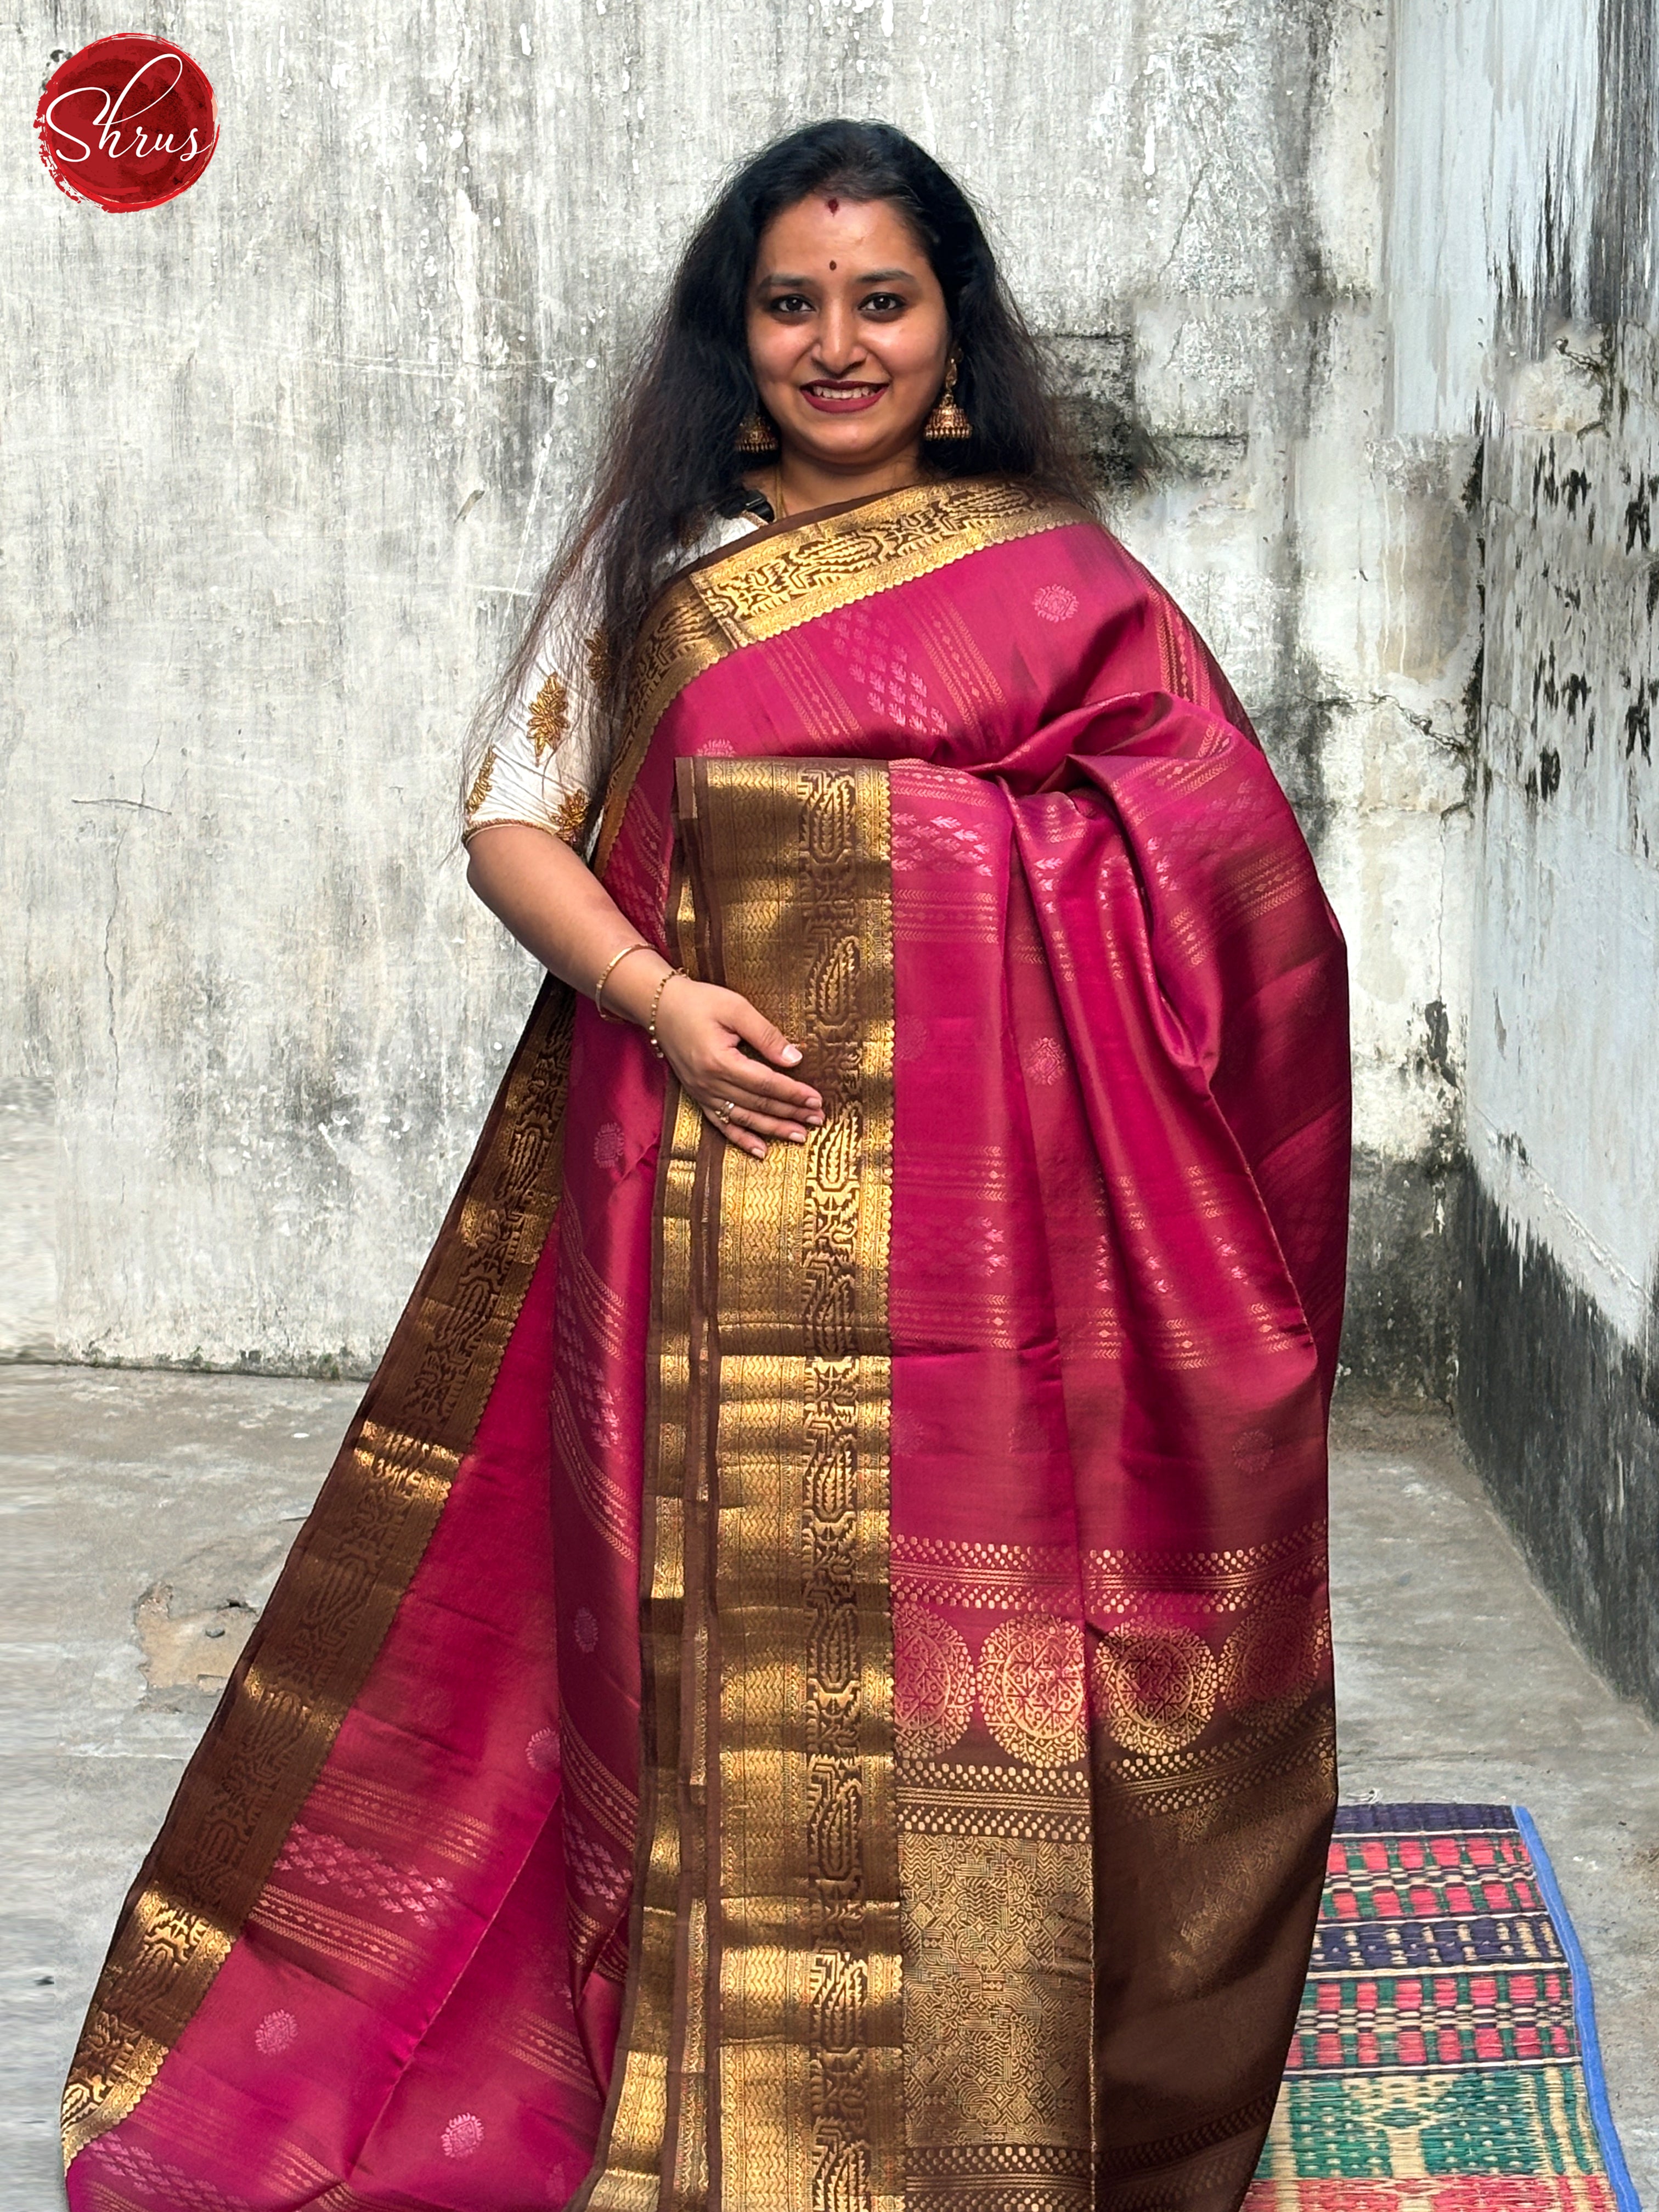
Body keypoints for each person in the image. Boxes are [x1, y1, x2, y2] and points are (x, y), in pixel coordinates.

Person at [64, 120, 1350, 2212]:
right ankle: (716, 2086)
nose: (837, 345)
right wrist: (659, 994)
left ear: (953, 333)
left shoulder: (1065, 580)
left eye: (883, 300)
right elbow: (510, 819)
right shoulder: (663, 565)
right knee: (691, 1643)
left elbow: (1232, 889)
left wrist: (960, 873)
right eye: (791, 303)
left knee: (976, 1642)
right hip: (686, 1176)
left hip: (997, 1259)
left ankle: (984, 2093)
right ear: (733, 334)